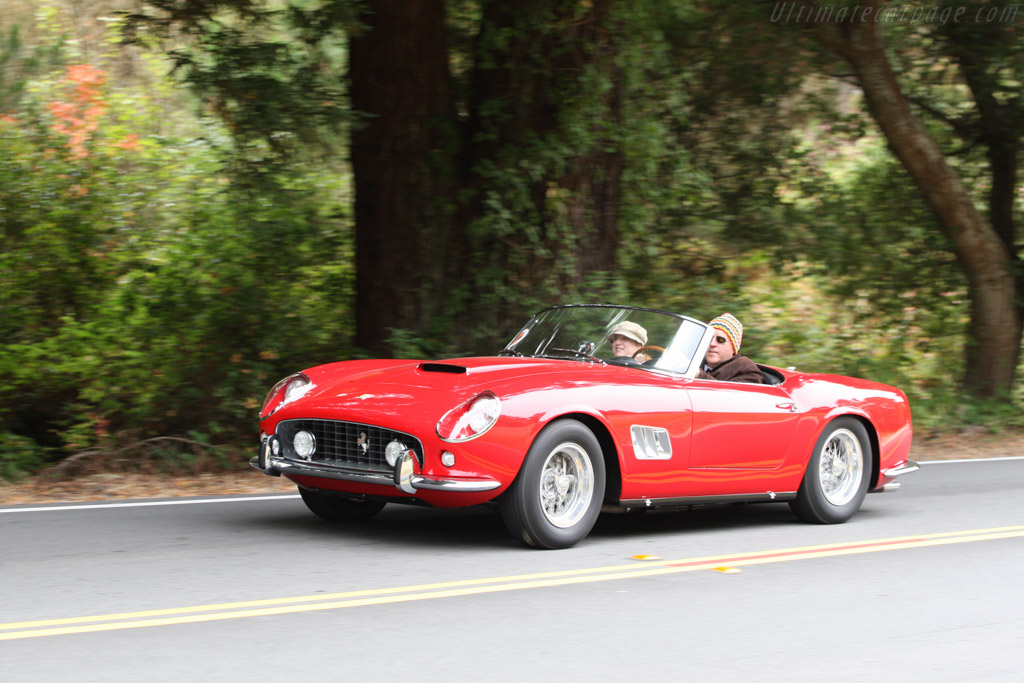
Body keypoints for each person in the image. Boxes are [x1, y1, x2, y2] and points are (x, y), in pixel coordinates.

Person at [697, 313, 764, 383]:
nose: (712, 344)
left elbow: (729, 393)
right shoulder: (694, 361)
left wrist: (699, 374)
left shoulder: (747, 370)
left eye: (720, 340)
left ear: (733, 347)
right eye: (709, 338)